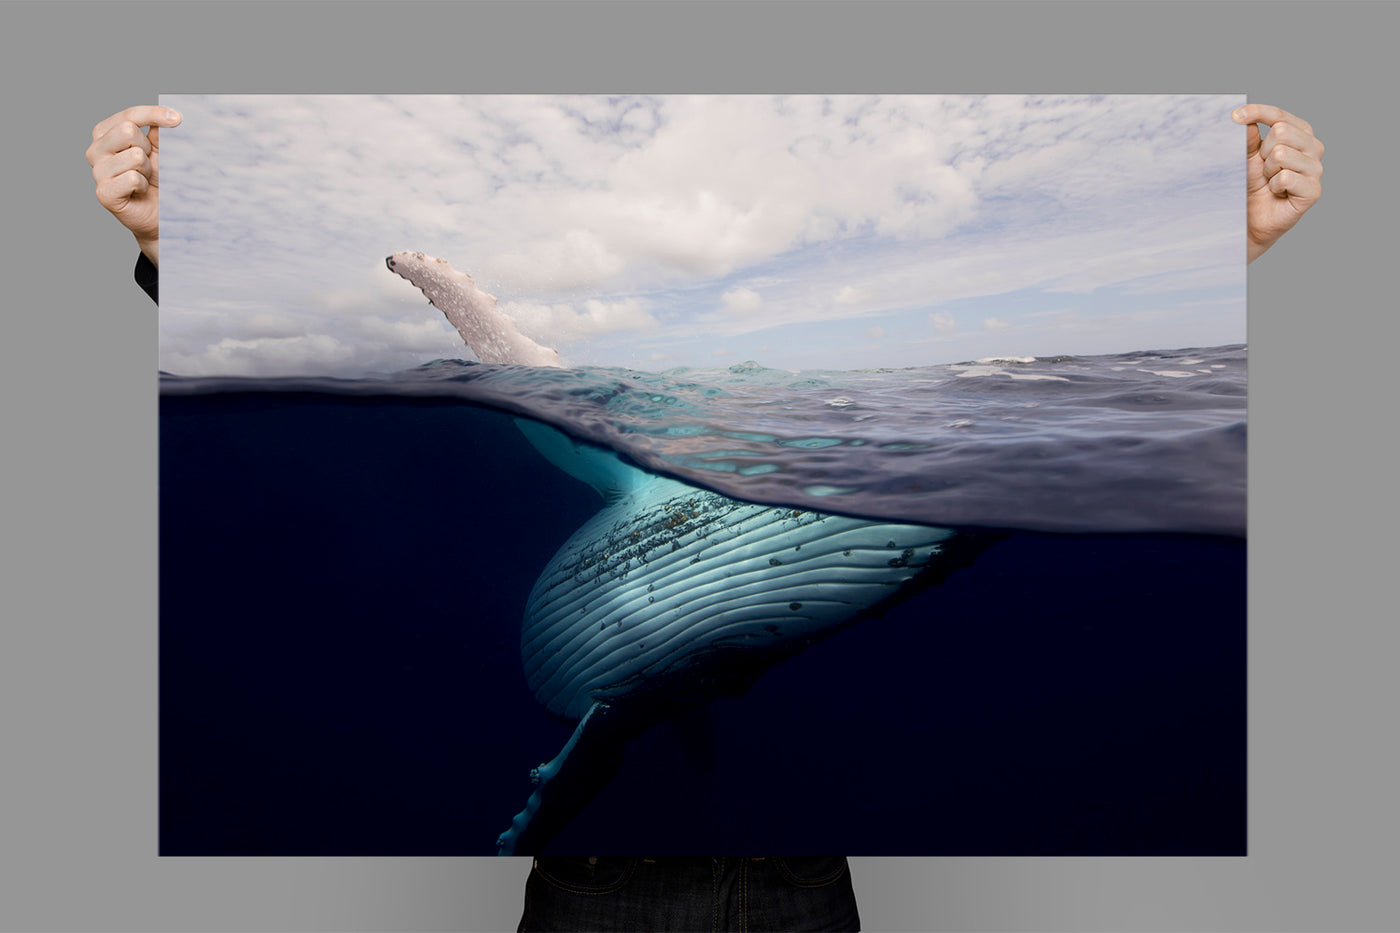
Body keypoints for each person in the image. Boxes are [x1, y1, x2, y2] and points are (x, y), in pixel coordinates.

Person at [88, 100, 1323, 933]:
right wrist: (168, 260)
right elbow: (536, 386)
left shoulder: (838, 534)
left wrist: (1251, 266)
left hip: (754, 815)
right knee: (642, 707)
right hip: (616, 726)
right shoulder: (673, 516)